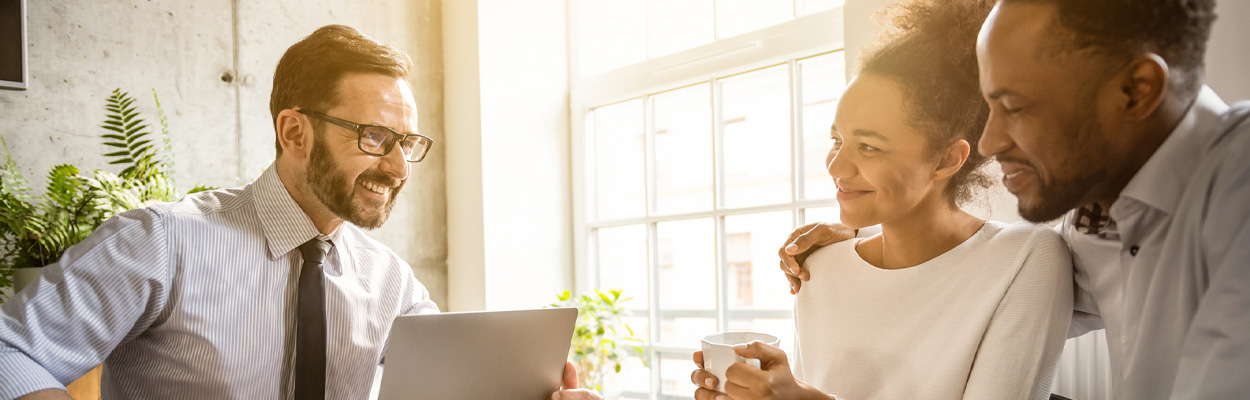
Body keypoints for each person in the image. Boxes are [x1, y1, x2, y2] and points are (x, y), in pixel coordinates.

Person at [0, 25, 597, 400]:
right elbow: (12, 351)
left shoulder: (389, 282)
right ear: (294, 131)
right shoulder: (163, 241)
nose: (399, 169)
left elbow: (454, 388)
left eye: (407, 144)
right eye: (374, 137)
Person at [782, 0, 1250, 398]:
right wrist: (867, 235)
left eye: (1016, 107)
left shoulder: (1238, 180)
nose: (989, 142)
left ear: (1136, 89)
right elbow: (967, 284)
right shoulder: (1096, 229)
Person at [689, 1, 1072, 399]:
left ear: (946, 159)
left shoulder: (1026, 258)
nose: (836, 166)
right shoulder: (818, 268)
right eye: (838, 140)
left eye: (869, 146)